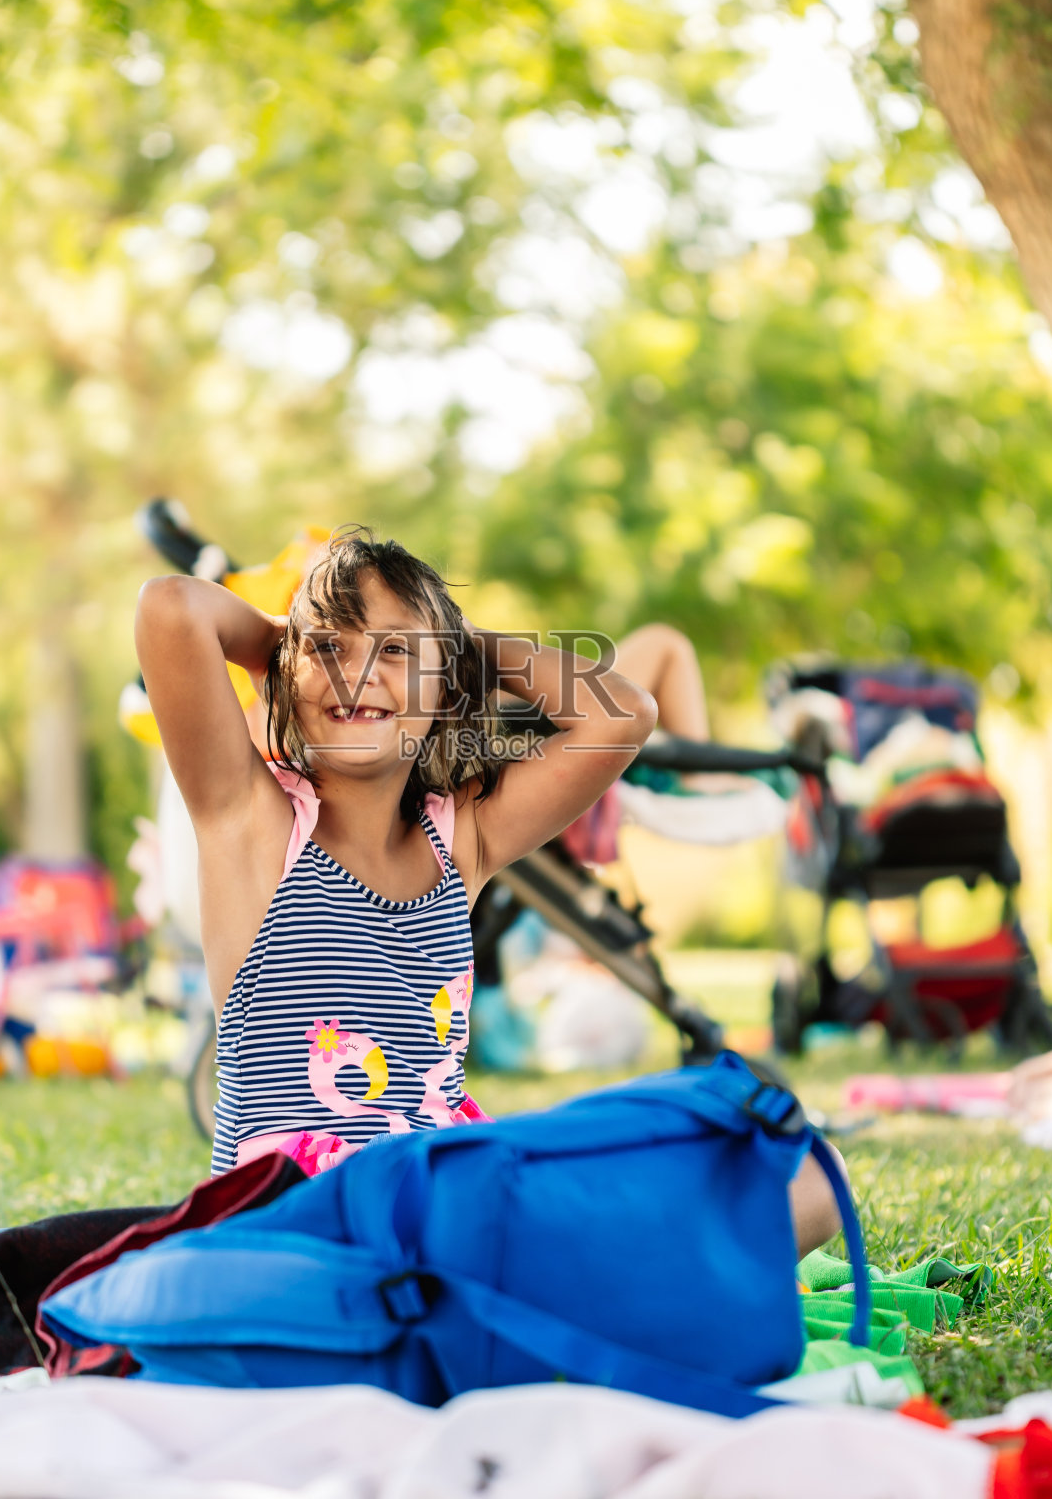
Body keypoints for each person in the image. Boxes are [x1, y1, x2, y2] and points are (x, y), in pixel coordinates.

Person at [135, 526, 845, 1254]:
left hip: (455, 1196)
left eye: (393, 651)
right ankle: (617, 1281)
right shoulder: (251, 821)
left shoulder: (461, 839)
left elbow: (623, 713)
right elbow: (170, 608)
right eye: (331, 648)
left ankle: (604, 1279)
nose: (357, 674)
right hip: (308, 1224)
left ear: (444, 689)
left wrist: (460, 651)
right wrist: (284, 647)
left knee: (808, 1176)